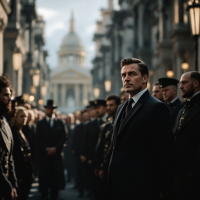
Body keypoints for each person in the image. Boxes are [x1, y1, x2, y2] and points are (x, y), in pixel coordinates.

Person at [105, 58, 175, 200]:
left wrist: (163, 187)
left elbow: (164, 151)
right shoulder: (121, 108)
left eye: (132, 74)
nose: (127, 79)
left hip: (142, 187)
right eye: (124, 75)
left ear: (144, 78)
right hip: (118, 185)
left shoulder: (156, 107)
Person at [173, 71, 200, 200]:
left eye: (184, 82)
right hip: (179, 175)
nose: (180, 86)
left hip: (194, 176)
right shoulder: (182, 109)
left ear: (196, 83)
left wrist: (191, 173)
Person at [36, 100, 68, 200]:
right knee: (45, 179)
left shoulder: (60, 122)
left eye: (52, 109)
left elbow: (64, 137)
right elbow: (37, 139)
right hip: (44, 156)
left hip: (56, 156)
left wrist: (55, 148)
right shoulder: (40, 123)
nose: (50, 110)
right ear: (46, 109)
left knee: (55, 180)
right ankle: (44, 195)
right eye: (48, 108)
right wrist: (45, 148)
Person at [95, 95, 120, 199]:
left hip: (115, 167)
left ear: (118, 106)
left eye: (111, 105)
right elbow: (100, 148)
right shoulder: (105, 125)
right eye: (107, 105)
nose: (108, 108)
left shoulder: (120, 123)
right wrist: (99, 166)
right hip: (105, 166)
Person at [81, 100, 107, 200]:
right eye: (95, 108)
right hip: (92, 158)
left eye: (98, 108)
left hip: (105, 158)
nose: (96, 111)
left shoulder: (110, 122)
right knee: (94, 184)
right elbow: (86, 142)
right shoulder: (89, 125)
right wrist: (85, 155)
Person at [0, 76, 18, 200]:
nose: (10, 98)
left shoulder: (5, 122)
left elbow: (9, 158)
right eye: (6, 95)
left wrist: (14, 184)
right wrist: (8, 186)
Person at [11, 107, 34, 200]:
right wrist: (18, 176)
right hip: (20, 175)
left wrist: (31, 172)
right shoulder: (13, 132)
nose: (24, 118)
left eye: (25, 116)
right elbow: (15, 156)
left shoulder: (21, 131)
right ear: (15, 117)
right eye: (21, 116)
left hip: (26, 173)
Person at [71, 110, 89, 197]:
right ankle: (80, 189)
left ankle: (88, 189)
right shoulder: (78, 127)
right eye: (84, 116)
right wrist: (73, 149)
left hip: (88, 153)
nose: (85, 117)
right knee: (79, 171)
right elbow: (74, 139)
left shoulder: (90, 126)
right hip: (78, 152)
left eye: (87, 115)